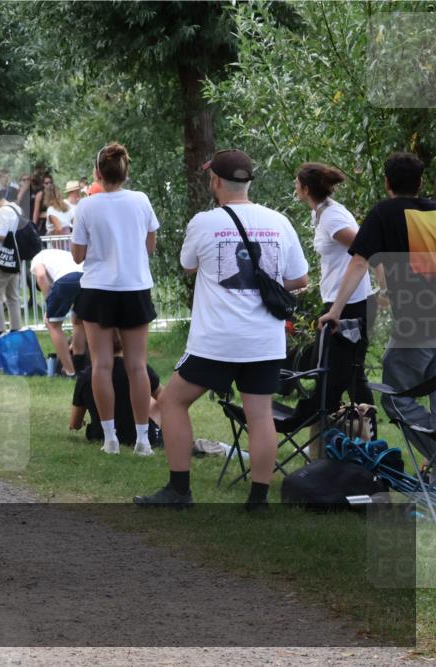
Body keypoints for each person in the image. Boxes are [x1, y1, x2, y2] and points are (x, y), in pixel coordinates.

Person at [136, 149, 309, 509]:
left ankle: (179, 490)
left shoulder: (204, 222)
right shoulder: (279, 222)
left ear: (215, 181)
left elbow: (188, 266)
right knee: (260, 415)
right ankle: (258, 500)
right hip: (264, 339)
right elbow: (298, 278)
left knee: (172, 401)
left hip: (216, 340)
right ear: (249, 182)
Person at [320, 151, 436, 460]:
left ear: (387, 183)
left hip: (418, 324)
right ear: (420, 182)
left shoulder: (384, 213)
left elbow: (359, 263)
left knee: (395, 396)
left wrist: (335, 310)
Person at [72, 143, 160, 456]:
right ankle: (142, 440)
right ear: (125, 172)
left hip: (97, 290)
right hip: (134, 287)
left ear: (98, 173)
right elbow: (149, 246)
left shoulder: (87, 206)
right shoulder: (141, 200)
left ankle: (109, 438)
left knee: (102, 365)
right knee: (137, 366)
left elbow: (78, 255)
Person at [294, 162, 374, 414]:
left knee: (348, 372)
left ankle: (367, 435)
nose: (295, 187)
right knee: (338, 371)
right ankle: (340, 430)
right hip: (339, 301)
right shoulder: (321, 213)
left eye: (297, 183)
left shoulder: (332, 217)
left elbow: (365, 247)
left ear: (306, 189)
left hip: (351, 304)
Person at [71, 334, 162, 446]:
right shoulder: (140, 371)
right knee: (155, 402)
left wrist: (80, 423)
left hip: (99, 434)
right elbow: (165, 398)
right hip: (136, 435)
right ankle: (147, 431)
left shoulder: (85, 376)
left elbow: (74, 423)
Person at [30, 248, 84, 377]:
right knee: (78, 322)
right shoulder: (59, 255)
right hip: (85, 277)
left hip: (66, 279)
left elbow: (41, 276)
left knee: (52, 324)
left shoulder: (37, 258)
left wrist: (49, 303)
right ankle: (80, 367)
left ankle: (70, 372)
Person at [0, 188, 23, 334]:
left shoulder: (2, 211)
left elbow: (0, 235)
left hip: (2, 259)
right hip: (15, 258)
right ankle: (15, 329)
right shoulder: (16, 208)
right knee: (13, 297)